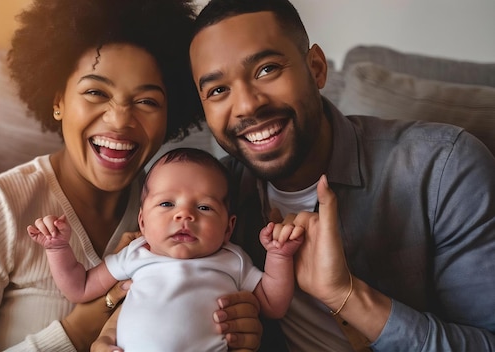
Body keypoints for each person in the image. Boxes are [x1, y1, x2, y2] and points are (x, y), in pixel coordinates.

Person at [0, 1, 263, 351]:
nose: (120, 120)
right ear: (57, 100)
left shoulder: (181, 205)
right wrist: (76, 332)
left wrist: (242, 328)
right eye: (95, 92)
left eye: (147, 101)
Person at [188, 0, 495, 351]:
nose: (246, 105)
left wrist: (346, 293)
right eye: (217, 90)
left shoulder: (443, 168)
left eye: (266, 69)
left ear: (316, 68)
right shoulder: (212, 201)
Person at [28, 147, 303, 351]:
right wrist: (58, 248)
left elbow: (274, 304)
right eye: (167, 204)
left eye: (204, 207)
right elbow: (79, 287)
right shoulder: (135, 253)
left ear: (228, 228)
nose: (184, 215)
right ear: (142, 222)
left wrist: (279, 255)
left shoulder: (232, 259)